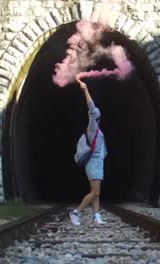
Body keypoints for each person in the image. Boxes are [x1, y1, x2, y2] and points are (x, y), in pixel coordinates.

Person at [69, 78, 108, 225]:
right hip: (93, 162)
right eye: (94, 113)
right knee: (96, 192)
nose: (95, 113)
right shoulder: (92, 128)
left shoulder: (98, 129)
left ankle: (96, 216)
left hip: (98, 162)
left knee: (96, 192)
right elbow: (91, 107)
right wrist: (85, 90)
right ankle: (76, 212)